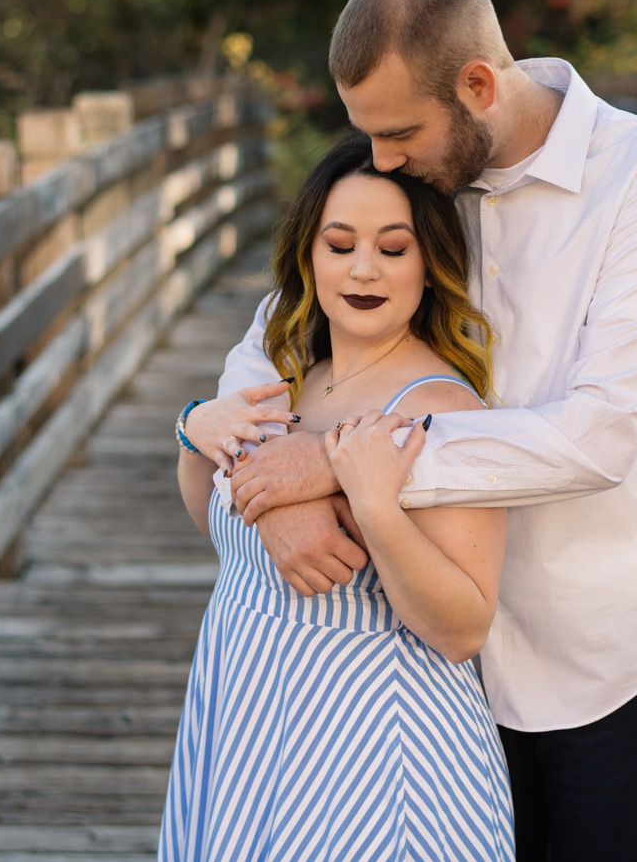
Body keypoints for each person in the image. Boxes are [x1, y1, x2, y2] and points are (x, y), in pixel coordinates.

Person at [220, 0, 637, 861]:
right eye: (367, 135)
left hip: (612, 648)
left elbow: (598, 437)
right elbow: (276, 331)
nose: (381, 159)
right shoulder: (426, 167)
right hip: (442, 662)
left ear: (480, 85)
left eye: (399, 131)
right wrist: (266, 462)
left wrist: (340, 459)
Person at [161, 133, 514, 861]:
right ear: (309, 253)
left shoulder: (445, 407)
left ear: (429, 265)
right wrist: (198, 426)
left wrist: (378, 509)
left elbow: (464, 627)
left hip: (375, 753)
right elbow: (209, 517)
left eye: (393, 248)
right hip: (248, 720)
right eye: (340, 242)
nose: (363, 269)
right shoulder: (289, 370)